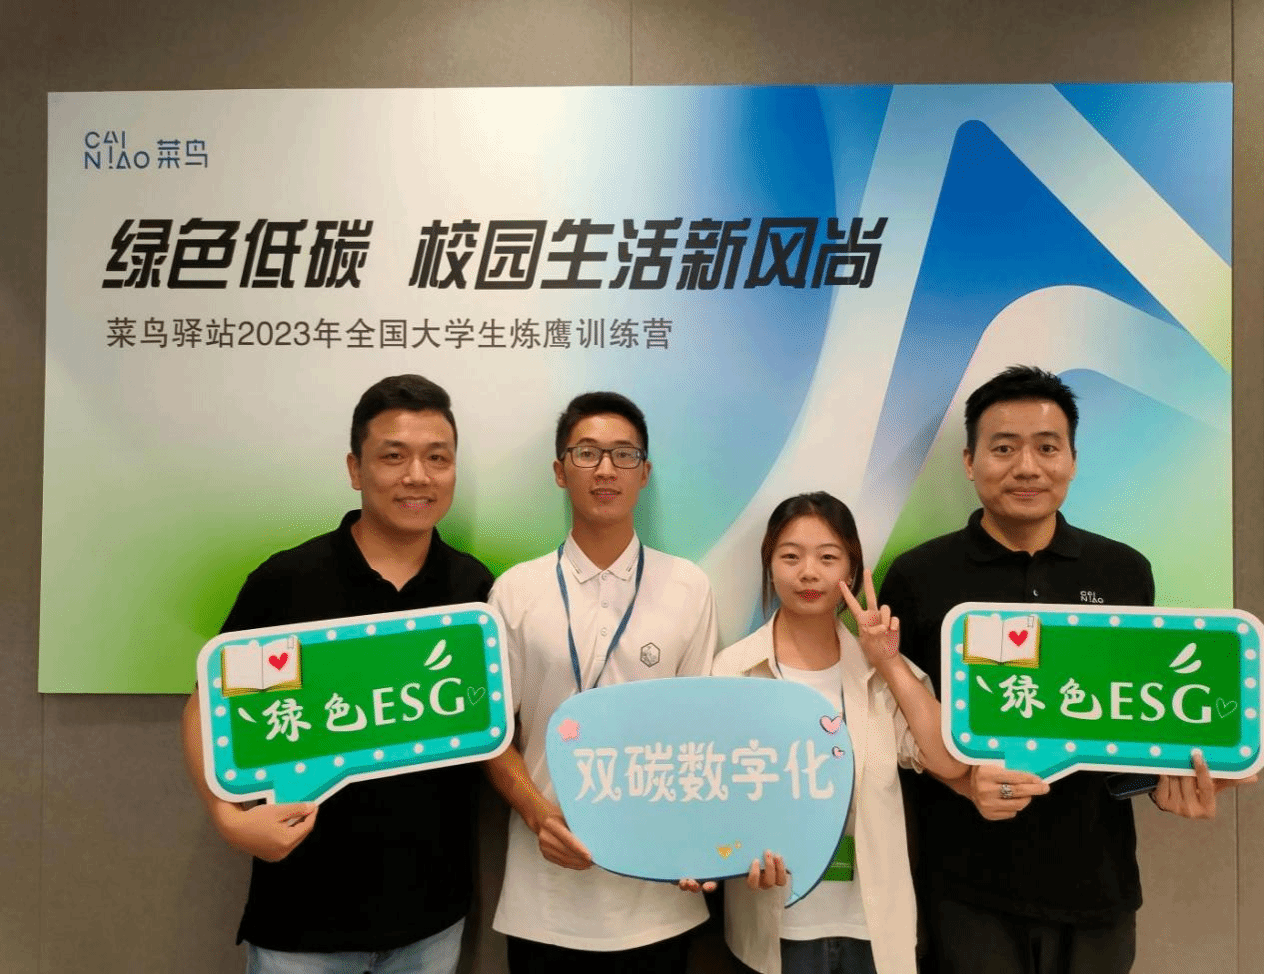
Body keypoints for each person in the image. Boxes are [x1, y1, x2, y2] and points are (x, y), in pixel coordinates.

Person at [879, 364, 1245, 974]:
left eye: (1047, 448)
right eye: (1004, 448)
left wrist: (1170, 781)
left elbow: (1133, 720)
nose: (1027, 467)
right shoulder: (920, 577)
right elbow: (895, 728)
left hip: (1098, 886)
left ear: (1072, 460)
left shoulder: (1123, 572)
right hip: (964, 886)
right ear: (969, 461)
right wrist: (963, 782)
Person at [180, 374, 493, 974]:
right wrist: (227, 819)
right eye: (393, 457)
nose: (418, 476)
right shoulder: (289, 582)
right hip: (302, 921)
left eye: (437, 458)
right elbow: (207, 707)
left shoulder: (473, 590)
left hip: (432, 919)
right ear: (355, 468)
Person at [484, 391, 719, 974]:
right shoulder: (515, 591)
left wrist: (699, 841)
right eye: (587, 453)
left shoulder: (688, 586)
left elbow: (700, 732)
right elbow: (491, 736)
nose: (606, 469)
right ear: (560, 471)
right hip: (545, 896)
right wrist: (539, 815)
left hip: (658, 894)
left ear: (645, 472)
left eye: (623, 454)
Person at [711, 492, 966, 974]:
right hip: (776, 926)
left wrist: (888, 661)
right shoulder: (734, 670)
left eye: (828, 558)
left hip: (871, 927)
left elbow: (948, 761)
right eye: (791, 557)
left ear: (850, 570)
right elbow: (716, 795)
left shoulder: (881, 673)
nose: (808, 573)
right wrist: (732, 854)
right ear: (769, 566)